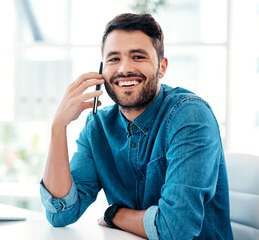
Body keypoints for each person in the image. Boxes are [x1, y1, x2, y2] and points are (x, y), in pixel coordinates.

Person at [40, 13, 233, 240]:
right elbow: (60, 214)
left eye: (138, 56)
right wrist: (58, 126)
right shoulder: (98, 126)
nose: (124, 69)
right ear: (102, 70)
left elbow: (174, 230)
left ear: (162, 67)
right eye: (113, 59)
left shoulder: (190, 115)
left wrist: (115, 214)